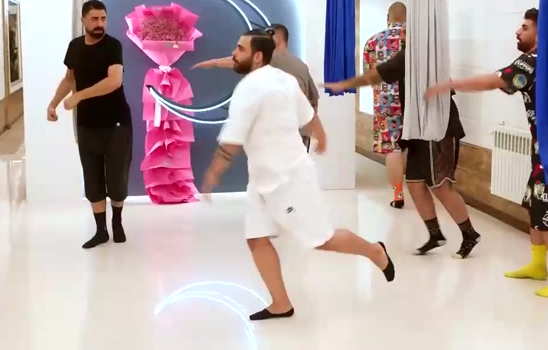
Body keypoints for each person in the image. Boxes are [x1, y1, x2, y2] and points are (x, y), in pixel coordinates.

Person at [201, 29, 395, 321]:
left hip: (288, 179)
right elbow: (309, 114)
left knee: (321, 239)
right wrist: (322, 135)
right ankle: (280, 303)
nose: (233, 54)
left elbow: (232, 139)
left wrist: (214, 172)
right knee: (256, 238)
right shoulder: (283, 79)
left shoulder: (252, 87)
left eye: (239, 49)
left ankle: (374, 251)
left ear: (257, 56)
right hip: (262, 178)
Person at [425, 8, 548, 298]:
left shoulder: (533, 62)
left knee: (546, 214)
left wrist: (451, 85)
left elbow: (494, 81)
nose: (517, 31)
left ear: (540, 32)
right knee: (533, 206)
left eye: (525, 27)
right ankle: (538, 265)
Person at [323, 32, 481, 259]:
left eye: (407, 30)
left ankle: (469, 234)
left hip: (437, 128)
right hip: (417, 128)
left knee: (440, 185)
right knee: (415, 183)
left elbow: (374, 76)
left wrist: (344, 84)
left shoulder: (416, 54)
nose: (402, 34)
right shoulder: (417, 53)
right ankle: (435, 234)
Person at [47, 0, 133, 250]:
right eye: (94, 19)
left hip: (117, 123)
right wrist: (53, 103)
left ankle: (117, 222)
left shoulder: (113, 46)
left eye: (103, 18)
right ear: (83, 20)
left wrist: (79, 96)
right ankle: (101, 230)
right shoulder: (75, 46)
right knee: (92, 178)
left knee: (116, 178)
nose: (99, 23)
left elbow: (114, 81)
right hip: (87, 123)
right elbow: (69, 78)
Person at [192, 23, 320, 148]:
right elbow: (314, 100)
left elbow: (239, 60)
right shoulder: (301, 66)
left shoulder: (272, 57)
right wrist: (309, 129)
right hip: (301, 134)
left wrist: (213, 63)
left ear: (278, 39)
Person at [363, 2, 407, 209]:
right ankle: (421, 189)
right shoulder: (413, 39)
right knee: (416, 146)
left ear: (388, 18)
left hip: (385, 102)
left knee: (393, 149)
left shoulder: (372, 42)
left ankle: (398, 194)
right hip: (413, 99)